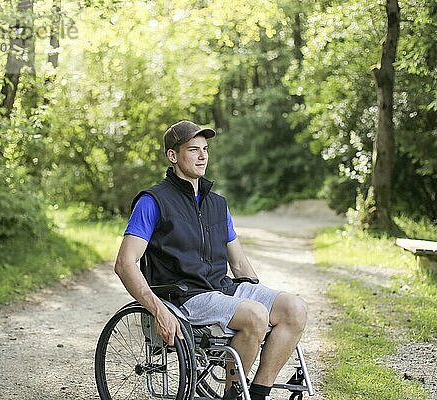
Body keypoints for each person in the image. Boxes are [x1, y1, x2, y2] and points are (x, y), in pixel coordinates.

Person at [114, 120, 308, 400]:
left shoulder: (217, 204)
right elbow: (125, 263)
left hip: (221, 288)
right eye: (193, 150)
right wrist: (159, 310)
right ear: (173, 156)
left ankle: (257, 393)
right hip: (185, 296)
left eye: (205, 149)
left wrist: (259, 296)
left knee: (294, 308)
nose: (203, 155)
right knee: (254, 315)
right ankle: (233, 396)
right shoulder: (153, 201)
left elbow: (240, 265)